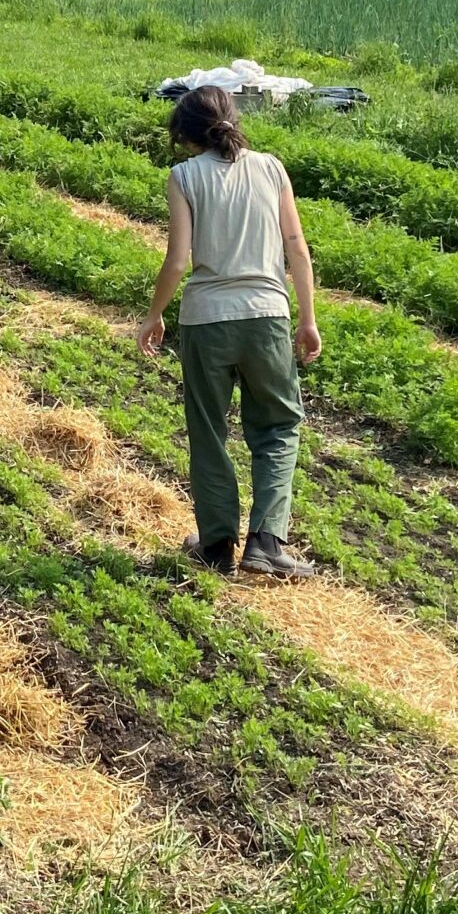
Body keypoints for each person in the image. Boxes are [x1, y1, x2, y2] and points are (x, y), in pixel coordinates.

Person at [136, 85, 322, 580]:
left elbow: (179, 259)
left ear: (187, 132)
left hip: (206, 319)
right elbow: (297, 248)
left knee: (208, 429)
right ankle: (265, 542)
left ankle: (217, 544)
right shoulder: (270, 167)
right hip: (266, 315)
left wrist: (154, 315)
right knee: (278, 426)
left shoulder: (183, 177)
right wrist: (307, 318)